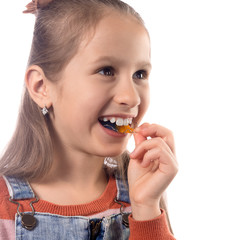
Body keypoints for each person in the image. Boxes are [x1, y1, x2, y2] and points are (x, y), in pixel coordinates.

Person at [0, 0, 178, 239]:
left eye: (140, 74)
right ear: (42, 87)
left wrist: (146, 207)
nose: (131, 97)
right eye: (106, 70)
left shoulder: (140, 196)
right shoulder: (4, 207)